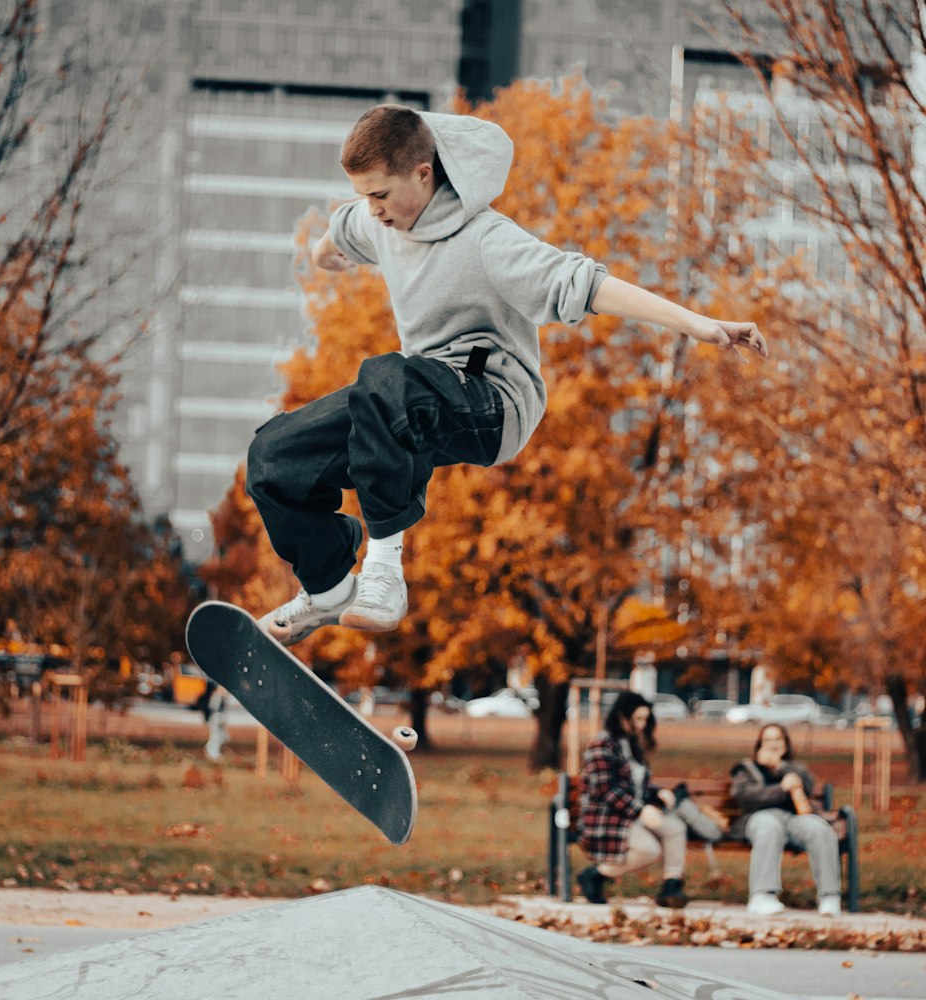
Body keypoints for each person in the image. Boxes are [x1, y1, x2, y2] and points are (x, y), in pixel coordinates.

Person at [248, 104, 768, 643]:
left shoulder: (489, 240)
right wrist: (324, 252)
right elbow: (340, 236)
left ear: (422, 174)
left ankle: (385, 572)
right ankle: (330, 590)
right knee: (275, 455)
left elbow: (587, 286)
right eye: (363, 195)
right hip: (411, 406)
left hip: (493, 404)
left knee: (385, 377)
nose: (372, 210)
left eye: (380, 194)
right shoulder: (379, 220)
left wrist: (697, 324)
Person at [575, 691, 689, 908]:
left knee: (675, 828)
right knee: (649, 850)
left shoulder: (631, 745)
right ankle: (595, 875)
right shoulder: (601, 745)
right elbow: (606, 789)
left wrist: (658, 792)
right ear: (621, 716)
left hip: (630, 814)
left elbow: (637, 783)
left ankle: (671, 887)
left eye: (645, 719)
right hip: (607, 817)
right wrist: (640, 811)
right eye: (638, 719)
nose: (642, 725)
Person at [730, 723, 842, 916]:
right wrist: (780, 789)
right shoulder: (747, 768)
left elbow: (807, 786)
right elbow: (744, 797)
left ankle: (829, 896)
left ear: (786, 743)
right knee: (770, 827)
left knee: (819, 829)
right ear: (760, 745)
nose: (773, 744)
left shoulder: (795, 768)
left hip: (793, 819)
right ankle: (762, 896)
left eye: (778, 739)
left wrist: (779, 766)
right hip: (759, 817)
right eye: (768, 740)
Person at [203, 683, 229, 762]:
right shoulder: (216, 697)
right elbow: (213, 708)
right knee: (215, 736)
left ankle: (213, 751)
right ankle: (212, 752)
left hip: (219, 720)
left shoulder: (222, 698)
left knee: (223, 736)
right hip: (215, 720)